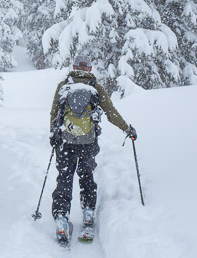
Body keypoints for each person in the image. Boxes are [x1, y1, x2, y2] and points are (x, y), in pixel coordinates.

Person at [48, 53, 137, 245]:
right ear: (88, 68)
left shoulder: (63, 86)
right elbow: (111, 113)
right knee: (86, 175)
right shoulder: (95, 87)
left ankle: (62, 219)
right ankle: (88, 213)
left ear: (73, 67)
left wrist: (53, 136)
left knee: (64, 179)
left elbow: (54, 112)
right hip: (88, 143)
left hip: (65, 142)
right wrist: (127, 129)